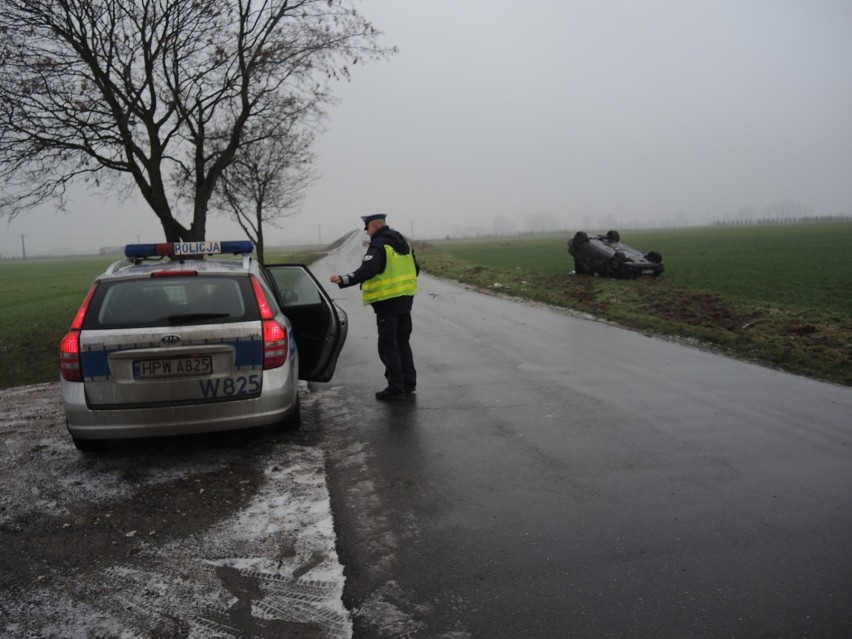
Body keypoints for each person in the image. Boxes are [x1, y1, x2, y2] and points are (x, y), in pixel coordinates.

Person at [330, 213, 420, 401]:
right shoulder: (404, 244)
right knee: (402, 342)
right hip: (405, 301)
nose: (368, 234)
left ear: (373, 227)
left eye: (368, 230)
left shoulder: (379, 245)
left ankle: (395, 387)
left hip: (387, 303)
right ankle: (409, 382)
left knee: (388, 345)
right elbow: (416, 269)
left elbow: (368, 270)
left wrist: (344, 279)